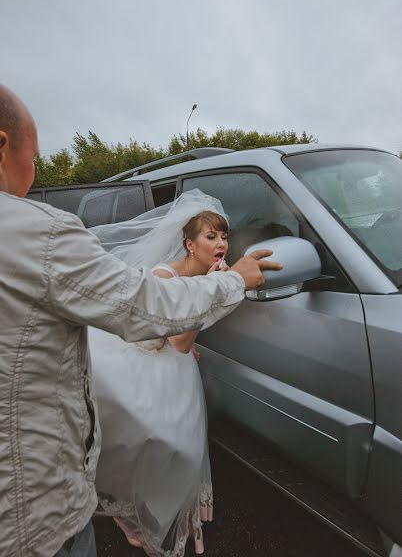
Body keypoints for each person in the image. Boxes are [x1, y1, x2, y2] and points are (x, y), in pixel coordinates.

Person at [0, 84, 282, 557]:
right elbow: (144, 306)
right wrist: (235, 280)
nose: (32, 173)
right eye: (33, 157)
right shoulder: (35, 233)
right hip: (31, 517)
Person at [90, 192, 232, 556]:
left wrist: (212, 286)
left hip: (176, 367)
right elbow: (181, 341)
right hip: (142, 366)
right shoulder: (165, 276)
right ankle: (127, 511)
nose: (220, 244)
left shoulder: (210, 273)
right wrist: (212, 290)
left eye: (223, 237)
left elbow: (181, 345)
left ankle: (182, 516)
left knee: (185, 447)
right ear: (189, 244)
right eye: (210, 237)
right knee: (150, 444)